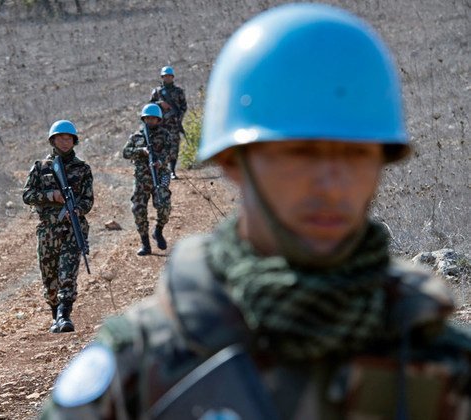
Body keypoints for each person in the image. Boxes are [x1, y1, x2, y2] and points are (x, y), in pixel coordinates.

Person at [42, 4, 471, 419]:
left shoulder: (446, 366)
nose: (331, 184)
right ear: (232, 162)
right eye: (298, 154)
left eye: (357, 155)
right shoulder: (139, 371)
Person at [22, 120, 94, 333]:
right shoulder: (40, 167)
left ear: (74, 141)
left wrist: (77, 210)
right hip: (47, 232)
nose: (65, 142)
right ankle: (55, 314)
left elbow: (88, 200)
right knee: (49, 275)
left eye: (68, 138)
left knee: (67, 273)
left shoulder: (82, 169)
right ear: (53, 140)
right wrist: (50, 195)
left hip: (72, 229)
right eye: (60, 138)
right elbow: (27, 195)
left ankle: (64, 314)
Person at [122, 104, 174, 256]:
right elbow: (125, 153)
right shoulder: (136, 136)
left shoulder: (165, 135)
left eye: (153, 118)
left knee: (164, 207)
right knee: (138, 209)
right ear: (143, 119)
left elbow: (169, 152)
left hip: (160, 176)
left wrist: (160, 162)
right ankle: (145, 244)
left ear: (158, 119)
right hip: (141, 180)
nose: (150, 120)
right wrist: (141, 151)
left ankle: (158, 231)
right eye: (147, 118)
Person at [149, 66, 186, 180]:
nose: (167, 78)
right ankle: (159, 169)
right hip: (160, 124)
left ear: (173, 77)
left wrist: (178, 117)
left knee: (174, 147)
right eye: (165, 76)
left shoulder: (179, 91)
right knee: (159, 145)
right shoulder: (157, 92)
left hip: (173, 125)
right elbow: (150, 106)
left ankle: (172, 170)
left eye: (169, 76)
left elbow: (183, 107)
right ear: (162, 77)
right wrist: (160, 104)